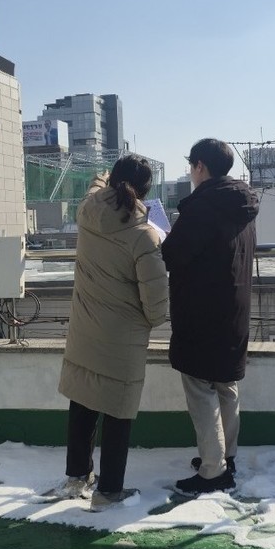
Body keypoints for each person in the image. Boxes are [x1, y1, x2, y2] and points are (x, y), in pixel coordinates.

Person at [57, 154, 168, 511]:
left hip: (85, 327)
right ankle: (108, 493)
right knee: (118, 413)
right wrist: (150, 320)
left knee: (82, 402)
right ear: (145, 191)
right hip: (123, 337)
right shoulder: (144, 235)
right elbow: (156, 305)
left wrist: (102, 177)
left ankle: (77, 478)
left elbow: (95, 189)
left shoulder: (88, 211)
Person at [161, 138, 259, 495]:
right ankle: (225, 457)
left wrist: (163, 234)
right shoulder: (242, 204)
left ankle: (213, 471)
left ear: (200, 166)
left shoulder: (202, 207)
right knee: (226, 385)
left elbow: (172, 254)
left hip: (201, 310)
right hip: (234, 308)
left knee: (200, 387)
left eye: (191, 165)